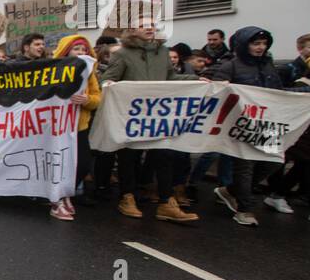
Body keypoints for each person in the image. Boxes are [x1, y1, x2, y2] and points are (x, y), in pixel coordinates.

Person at [100, 22, 197, 223]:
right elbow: (108, 78)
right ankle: (127, 197)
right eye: (143, 24)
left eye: (152, 24)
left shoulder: (162, 52)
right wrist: (109, 84)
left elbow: (171, 78)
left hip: (157, 115)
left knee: (164, 155)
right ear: (132, 30)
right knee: (129, 156)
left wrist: (196, 80)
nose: (149, 28)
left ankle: (166, 202)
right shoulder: (123, 53)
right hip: (131, 115)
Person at [209, 26, 285, 227]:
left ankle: (231, 191)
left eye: (263, 43)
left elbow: (278, 92)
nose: (261, 47)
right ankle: (245, 208)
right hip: (240, 124)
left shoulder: (268, 66)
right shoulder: (230, 66)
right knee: (246, 166)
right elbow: (217, 92)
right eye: (256, 43)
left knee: (273, 161)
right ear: (244, 45)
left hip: (265, 123)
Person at [47, 36, 102, 221]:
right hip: (58, 127)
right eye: (76, 49)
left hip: (79, 127)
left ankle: (66, 194)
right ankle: (57, 201)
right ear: (66, 51)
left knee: (83, 163)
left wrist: (87, 101)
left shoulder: (89, 73)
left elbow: (97, 98)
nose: (81, 53)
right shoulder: (53, 70)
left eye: (84, 49)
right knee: (59, 164)